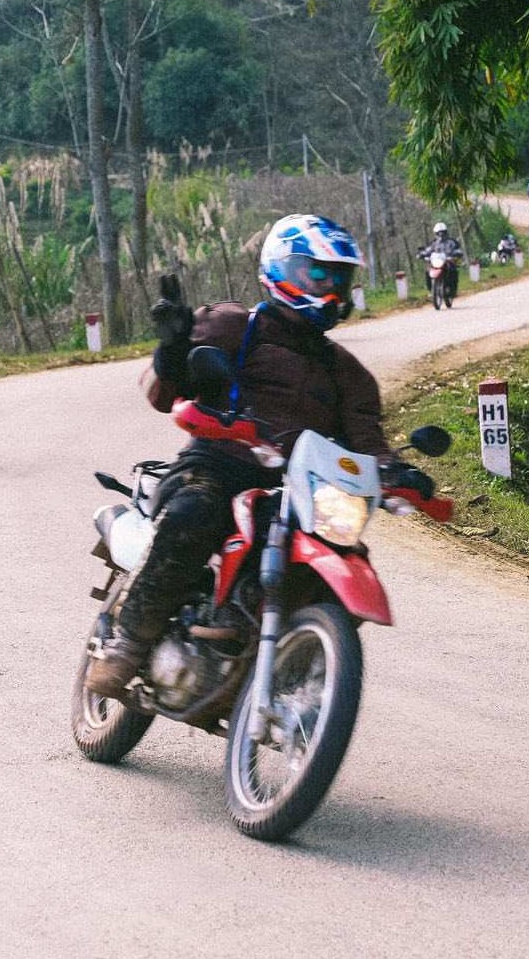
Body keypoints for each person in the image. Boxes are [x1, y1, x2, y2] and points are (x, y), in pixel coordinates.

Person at [84, 214, 437, 697]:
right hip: (219, 465)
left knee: (345, 558)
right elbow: (161, 393)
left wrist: (399, 472)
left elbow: (368, 442)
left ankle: (298, 673)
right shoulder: (233, 326)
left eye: (339, 278)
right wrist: (171, 353)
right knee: (193, 513)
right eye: (317, 273)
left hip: (301, 491)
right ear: (281, 268)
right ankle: (129, 641)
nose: (329, 288)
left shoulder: (349, 373)